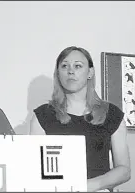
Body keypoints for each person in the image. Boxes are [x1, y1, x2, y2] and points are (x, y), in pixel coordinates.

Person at [30, 46, 131, 192]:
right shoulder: (42, 116)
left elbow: (124, 170)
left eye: (78, 66)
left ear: (90, 72)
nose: (71, 71)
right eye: (64, 66)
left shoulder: (112, 114)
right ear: (58, 73)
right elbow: (34, 167)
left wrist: (87, 187)